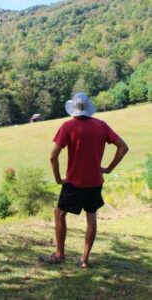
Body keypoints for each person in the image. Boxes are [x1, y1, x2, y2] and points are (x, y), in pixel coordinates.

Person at [39, 92, 129, 268]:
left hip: (74, 183)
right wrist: (109, 169)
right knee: (92, 217)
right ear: (89, 108)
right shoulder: (102, 126)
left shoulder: (67, 126)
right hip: (95, 182)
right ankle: (84, 260)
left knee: (59, 214)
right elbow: (123, 147)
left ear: (73, 108)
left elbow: (52, 156)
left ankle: (60, 254)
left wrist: (58, 179)